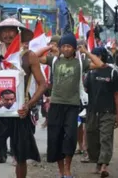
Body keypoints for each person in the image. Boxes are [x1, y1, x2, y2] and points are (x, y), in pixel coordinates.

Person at [0, 17, 47, 178]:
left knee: (20, 158)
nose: (7, 34)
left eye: (11, 30)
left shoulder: (29, 56)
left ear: (19, 33)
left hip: (20, 114)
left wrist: (29, 104)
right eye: (4, 31)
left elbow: (42, 84)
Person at [38, 33, 104, 177]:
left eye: (69, 46)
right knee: (56, 138)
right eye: (64, 46)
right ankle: (61, 172)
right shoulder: (54, 60)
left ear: (74, 48)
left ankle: (67, 169)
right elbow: (35, 57)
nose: (67, 49)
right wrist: (49, 46)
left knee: (70, 138)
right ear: (60, 47)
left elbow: (100, 64)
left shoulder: (80, 62)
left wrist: (86, 52)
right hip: (55, 105)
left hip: (72, 106)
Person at [84, 47, 118, 177]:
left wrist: (117, 114)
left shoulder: (112, 72)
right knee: (92, 138)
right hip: (92, 111)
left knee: (105, 138)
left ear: (101, 56)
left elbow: (116, 95)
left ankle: (104, 165)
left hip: (108, 111)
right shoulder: (90, 73)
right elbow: (85, 91)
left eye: (95, 55)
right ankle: (97, 163)